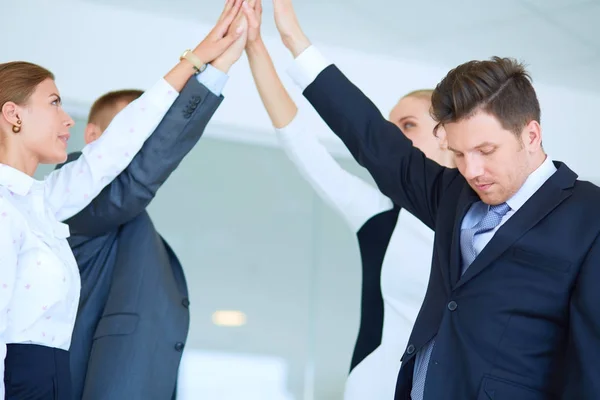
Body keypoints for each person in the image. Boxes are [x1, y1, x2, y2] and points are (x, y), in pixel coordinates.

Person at [267, 0, 600, 399]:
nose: (472, 170)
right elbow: (373, 139)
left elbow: (591, 363)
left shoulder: (589, 216)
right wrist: (293, 40)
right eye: (459, 154)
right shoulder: (453, 196)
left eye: (486, 151)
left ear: (531, 135)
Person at [0, 1, 250, 398]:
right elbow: (137, 168)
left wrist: (206, 60)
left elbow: (124, 138)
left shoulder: (46, 202)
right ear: (12, 114)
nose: (68, 119)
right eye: (53, 102)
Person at [243, 2, 454, 398]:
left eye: (407, 126)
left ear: (446, 135)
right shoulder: (377, 214)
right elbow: (300, 143)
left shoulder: (486, 217)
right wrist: (256, 47)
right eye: (388, 127)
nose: (392, 137)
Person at [58, 38, 240, 399]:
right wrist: (214, 70)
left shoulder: (127, 219)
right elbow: (141, 174)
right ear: (92, 135)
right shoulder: (72, 190)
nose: (149, 146)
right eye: (136, 134)